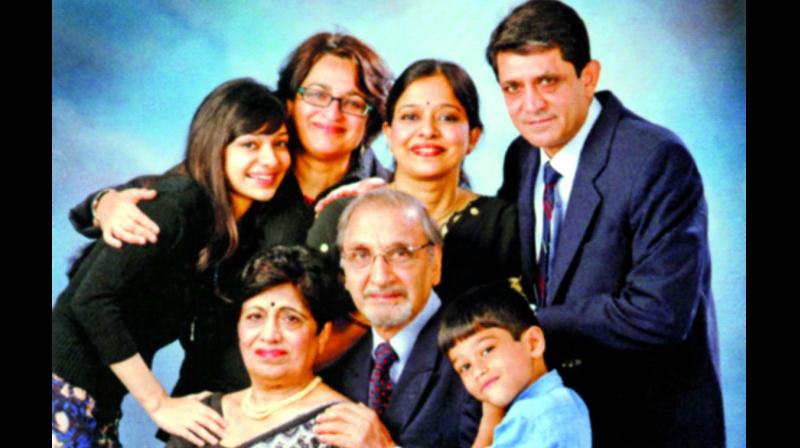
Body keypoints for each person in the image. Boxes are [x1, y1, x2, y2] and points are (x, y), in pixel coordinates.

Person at [63, 32, 394, 389]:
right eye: (316, 94)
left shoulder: (387, 194)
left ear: (372, 116)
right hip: (208, 398)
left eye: (354, 101)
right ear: (289, 102)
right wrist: (105, 204)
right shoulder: (252, 169)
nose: (332, 113)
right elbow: (166, 192)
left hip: (317, 401)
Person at [487, 1, 724, 446]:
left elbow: (660, 315)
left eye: (547, 81)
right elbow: (495, 245)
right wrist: (392, 193)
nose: (530, 104)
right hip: (561, 426)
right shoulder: (522, 156)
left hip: (649, 428)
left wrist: (536, 321)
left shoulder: (654, 159)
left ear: (589, 76)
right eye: (512, 87)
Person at [52, 78, 293, 447]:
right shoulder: (183, 202)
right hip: (64, 395)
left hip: (96, 406)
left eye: (280, 144)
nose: (271, 159)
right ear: (216, 148)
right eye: (250, 144)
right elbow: (91, 300)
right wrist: (159, 404)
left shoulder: (223, 227)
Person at [307, 59, 520, 302]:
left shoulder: (503, 226)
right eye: (410, 117)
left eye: (447, 117)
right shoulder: (343, 216)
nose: (428, 131)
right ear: (388, 133)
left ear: (473, 137)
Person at [312, 188, 481, 447]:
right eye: (361, 255)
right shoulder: (336, 368)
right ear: (344, 273)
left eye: (401, 253)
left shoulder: (481, 357)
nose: (380, 277)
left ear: (435, 263)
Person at [167, 245, 353, 448]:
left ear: (322, 335)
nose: (269, 335)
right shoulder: (204, 417)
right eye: (255, 317)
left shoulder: (341, 428)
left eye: (291, 319)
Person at [438, 280, 591, 448]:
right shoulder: (557, 403)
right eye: (465, 366)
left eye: (487, 350)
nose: (478, 371)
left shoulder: (535, 415)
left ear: (533, 343)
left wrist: (488, 425)